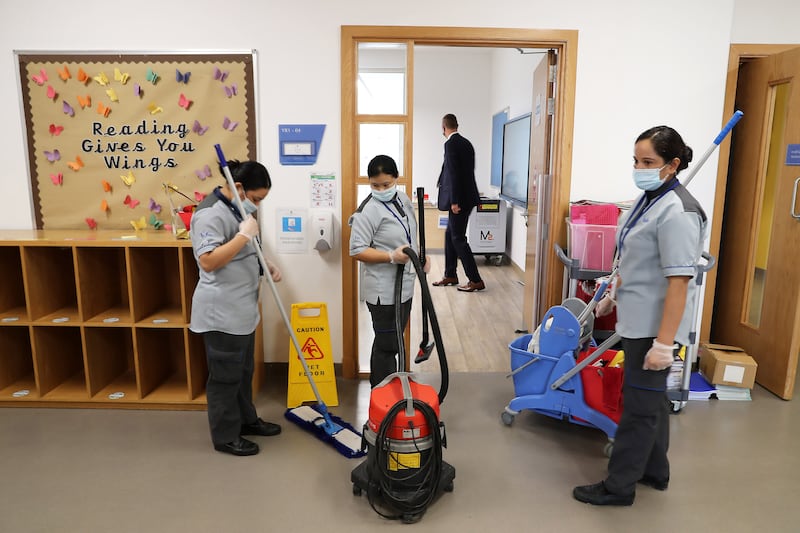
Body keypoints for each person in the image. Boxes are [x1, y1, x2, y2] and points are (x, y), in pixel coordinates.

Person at [573, 126, 707, 505]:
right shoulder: (649, 198)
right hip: (635, 318)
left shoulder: (679, 212)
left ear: (673, 164)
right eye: (636, 160)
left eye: (648, 162)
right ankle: (655, 472)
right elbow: (633, 257)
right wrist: (613, 295)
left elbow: (679, 283)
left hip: (654, 327)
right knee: (651, 403)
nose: (639, 167)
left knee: (638, 408)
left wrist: (665, 344)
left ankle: (619, 487)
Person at [189, 160, 283, 457]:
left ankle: (246, 420)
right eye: (255, 199)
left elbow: (244, 250)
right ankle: (226, 436)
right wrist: (243, 235)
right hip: (221, 313)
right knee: (225, 377)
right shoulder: (208, 214)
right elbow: (208, 260)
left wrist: (263, 262)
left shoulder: (237, 209)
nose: (256, 206)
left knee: (243, 372)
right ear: (239, 187)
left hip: (242, 309)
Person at [349, 155, 428, 387]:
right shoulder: (368, 211)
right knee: (387, 346)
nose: (381, 189)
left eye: (386, 184)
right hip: (383, 291)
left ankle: (391, 393)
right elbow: (356, 250)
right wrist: (390, 256)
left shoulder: (402, 199)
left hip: (404, 286)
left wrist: (420, 257)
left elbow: (409, 234)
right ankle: (382, 396)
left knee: (393, 341)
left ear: (396, 179)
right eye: (375, 185)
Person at [433, 113, 485, 292]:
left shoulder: (451, 144)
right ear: (457, 125)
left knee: (458, 238)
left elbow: (454, 173)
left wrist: (454, 201)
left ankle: (475, 279)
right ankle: (450, 274)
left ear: (444, 128)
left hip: (459, 200)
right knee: (450, 235)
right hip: (467, 197)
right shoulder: (466, 143)